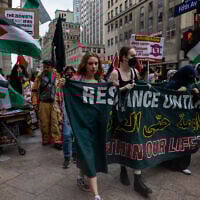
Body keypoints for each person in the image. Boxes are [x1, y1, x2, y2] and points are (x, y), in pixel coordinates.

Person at [109, 46, 152, 197]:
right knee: (123, 142)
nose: (135, 58)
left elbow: (139, 87)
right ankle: (122, 169)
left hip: (135, 115)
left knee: (137, 143)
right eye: (133, 55)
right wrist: (123, 88)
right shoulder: (115, 73)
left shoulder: (134, 72)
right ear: (124, 57)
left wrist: (146, 86)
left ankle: (138, 179)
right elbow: (110, 95)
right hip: (120, 115)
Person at [70, 52, 104, 200]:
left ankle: (80, 176)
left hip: (95, 125)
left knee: (88, 153)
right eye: (90, 63)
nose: (93, 66)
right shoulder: (76, 80)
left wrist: (119, 87)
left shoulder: (101, 82)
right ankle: (96, 195)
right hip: (81, 125)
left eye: (96, 63)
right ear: (85, 64)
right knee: (89, 155)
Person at [162, 65, 199, 175]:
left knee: (187, 140)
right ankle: (169, 164)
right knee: (173, 142)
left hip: (186, 118)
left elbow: (192, 97)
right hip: (173, 119)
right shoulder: (173, 83)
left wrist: (192, 91)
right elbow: (164, 95)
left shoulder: (189, 83)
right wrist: (177, 91)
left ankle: (182, 165)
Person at [31, 60, 62, 149]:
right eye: (44, 67)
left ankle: (57, 140)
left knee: (55, 121)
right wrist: (34, 102)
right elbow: (34, 90)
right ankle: (45, 139)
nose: (45, 68)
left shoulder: (56, 75)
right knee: (44, 122)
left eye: (48, 67)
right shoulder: (39, 76)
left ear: (52, 67)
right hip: (43, 102)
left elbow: (60, 88)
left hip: (54, 102)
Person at [62, 66, 77, 169]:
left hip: (76, 112)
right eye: (67, 73)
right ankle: (67, 157)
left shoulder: (77, 83)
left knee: (76, 135)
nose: (69, 74)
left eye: (71, 73)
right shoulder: (62, 83)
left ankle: (75, 155)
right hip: (66, 111)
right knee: (67, 135)